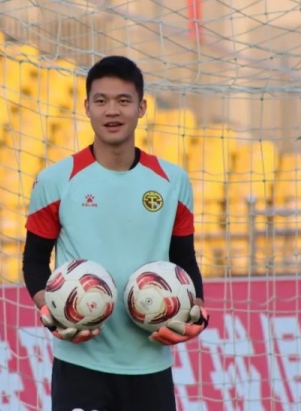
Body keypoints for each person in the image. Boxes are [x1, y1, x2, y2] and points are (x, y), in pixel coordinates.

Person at [22, 56, 209, 411]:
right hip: (81, 364)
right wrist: (51, 311)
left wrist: (197, 313)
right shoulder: (55, 180)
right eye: (101, 100)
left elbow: (184, 259)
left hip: (150, 363)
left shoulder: (173, 181)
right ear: (87, 107)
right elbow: (33, 260)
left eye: (123, 101)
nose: (112, 111)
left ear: (141, 107)